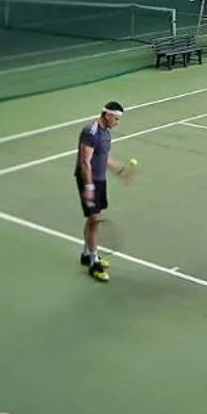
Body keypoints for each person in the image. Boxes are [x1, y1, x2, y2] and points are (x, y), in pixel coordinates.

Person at [75, 101, 130, 282]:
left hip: (100, 180)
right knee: (95, 219)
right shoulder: (91, 132)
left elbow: (104, 159)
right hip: (88, 180)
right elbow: (85, 162)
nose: (117, 122)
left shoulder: (106, 133)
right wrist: (89, 187)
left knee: (93, 219)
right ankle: (93, 263)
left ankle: (86, 254)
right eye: (116, 118)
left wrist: (120, 170)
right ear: (108, 116)